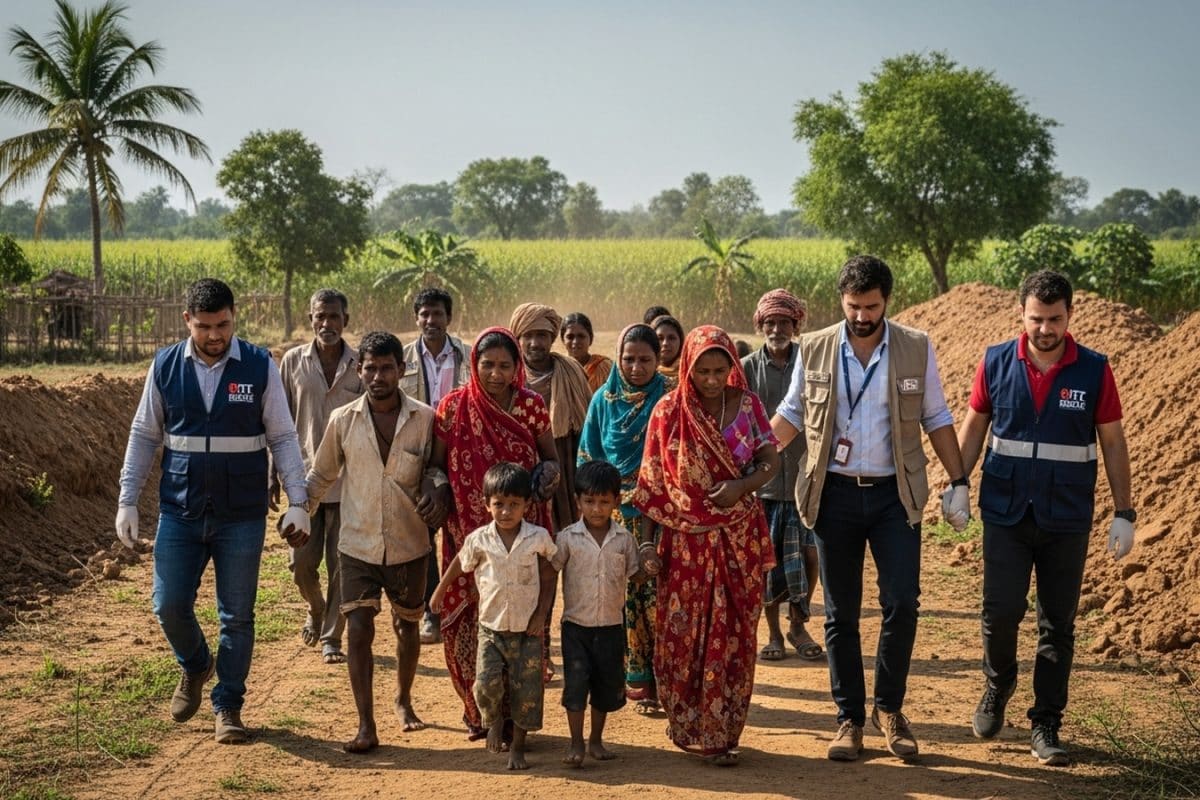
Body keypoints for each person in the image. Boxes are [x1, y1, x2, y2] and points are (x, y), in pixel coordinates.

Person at [771, 255, 970, 762]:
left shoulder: (914, 347)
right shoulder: (813, 348)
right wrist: (748, 460)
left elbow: (936, 414)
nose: (862, 316)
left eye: (872, 306)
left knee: (901, 603)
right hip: (833, 494)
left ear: (887, 301)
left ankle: (891, 710)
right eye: (854, 306)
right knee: (840, 614)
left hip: (893, 497)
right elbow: (792, 413)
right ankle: (849, 719)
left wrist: (960, 479)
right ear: (842, 301)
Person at [115, 278, 311, 744]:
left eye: (223, 324)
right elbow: (145, 435)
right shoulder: (164, 366)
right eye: (204, 326)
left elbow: (283, 437)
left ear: (234, 318)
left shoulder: (260, 365)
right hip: (180, 511)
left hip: (240, 514)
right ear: (188, 321)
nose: (215, 335)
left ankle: (228, 705)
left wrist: (298, 501)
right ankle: (197, 664)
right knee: (168, 605)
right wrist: (127, 498)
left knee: (237, 615)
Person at [956, 270, 1134, 767]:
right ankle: (998, 684)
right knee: (1000, 612)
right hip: (1007, 513)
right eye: (1037, 318)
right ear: (1022, 314)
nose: (1045, 329)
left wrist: (1124, 512)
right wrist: (957, 482)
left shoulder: (1094, 370)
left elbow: (1114, 442)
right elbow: (973, 428)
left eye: (1055, 319)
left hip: (1066, 517)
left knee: (1058, 624)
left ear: (1070, 315)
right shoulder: (995, 362)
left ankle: (1046, 722)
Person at [632, 325, 782, 766]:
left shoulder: (748, 406)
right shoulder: (667, 412)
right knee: (683, 636)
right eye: (704, 371)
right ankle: (689, 724)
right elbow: (651, 485)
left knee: (734, 634)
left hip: (739, 541)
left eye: (721, 370)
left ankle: (723, 732)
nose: (713, 380)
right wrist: (646, 546)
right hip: (684, 546)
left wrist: (742, 486)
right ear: (687, 368)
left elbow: (770, 458)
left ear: (733, 367)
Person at [304, 331, 445, 753]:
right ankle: (366, 724)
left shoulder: (424, 418)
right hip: (357, 545)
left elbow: (438, 470)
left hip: (409, 543)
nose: (378, 375)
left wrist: (437, 488)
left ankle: (403, 698)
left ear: (402, 371)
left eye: (386, 367)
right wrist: (299, 513)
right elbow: (321, 475)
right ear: (359, 370)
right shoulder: (343, 420)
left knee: (406, 626)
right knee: (360, 629)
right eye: (369, 367)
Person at [428, 328, 561, 739]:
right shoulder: (452, 409)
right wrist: (436, 488)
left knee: (522, 621)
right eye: (487, 365)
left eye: (505, 365)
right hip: (469, 532)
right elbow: (436, 466)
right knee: (469, 622)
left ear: (517, 367)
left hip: (524, 533)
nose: (496, 374)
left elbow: (550, 458)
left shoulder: (532, 407)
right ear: (475, 364)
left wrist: (547, 478)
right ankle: (481, 715)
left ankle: (515, 718)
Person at [430, 462, 558, 771]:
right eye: (499, 504)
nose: (506, 511)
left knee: (527, 690)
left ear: (527, 505)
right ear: (486, 505)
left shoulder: (537, 537)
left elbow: (551, 569)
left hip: (527, 629)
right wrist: (439, 592)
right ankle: (495, 721)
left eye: (514, 505)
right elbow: (461, 563)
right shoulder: (479, 539)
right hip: (490, 627)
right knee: (486, 684)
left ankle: (518, 747)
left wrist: (541, 613)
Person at [577, 323, 668, 713]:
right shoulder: (604, 399)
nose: (636, 367)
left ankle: (669, 682)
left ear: (658, 359)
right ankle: (639, 683)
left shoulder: (671, 400)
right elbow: (589, 456)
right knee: (626, 601)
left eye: (645, 359)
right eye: (628, 359)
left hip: (663, 516)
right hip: (616, 516)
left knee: (661, 601)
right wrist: (598, 510)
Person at [275, 288, 363, 665]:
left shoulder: (361, 365)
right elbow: (276, 422)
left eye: (334, 317)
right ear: (309, 319)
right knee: (302, 565)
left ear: (346, 321)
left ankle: (332, 636)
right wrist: (272, 475)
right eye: (319, 317)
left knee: (342, 564)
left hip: (350, 483)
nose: (326, 323)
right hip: (303, 484)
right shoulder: (292, 362)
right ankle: (316, 607)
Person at [741, 289, 822, 662]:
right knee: (768, 561)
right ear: (760, 325)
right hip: (764, 483)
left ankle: (798, 624)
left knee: (809, 556)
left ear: (796, 325)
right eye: (770, 323)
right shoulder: (746, 368)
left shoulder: (811, 361)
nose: (777, 329)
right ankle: (773, 633)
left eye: (784, 323)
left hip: (806, 475)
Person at [552, 460, 645, 767]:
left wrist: (651, 567)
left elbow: (636, 576)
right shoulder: (567, 538)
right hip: (575, 627)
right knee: (576, 685)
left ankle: (595, 741)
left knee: (605, 687)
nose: (596, 509)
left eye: (604, 501)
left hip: (610, 626)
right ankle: (576, 743)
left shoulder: (624, 540)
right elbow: (550, 571)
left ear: (616, 501)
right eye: (589, 501)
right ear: (578, 501)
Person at [399, 287, 470, 646]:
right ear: (416, 318)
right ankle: (432, 612)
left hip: (463, 458)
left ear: (448, 318)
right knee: (423, 538)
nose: (430, 320)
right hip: (418, 458)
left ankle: (466, 607)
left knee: (464, 534)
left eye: (437, 314)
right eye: (424, 314)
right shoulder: (402, 359)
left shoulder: (471, 357)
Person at [509, 302, 592, 531]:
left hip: (565, 457)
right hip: (522, 460)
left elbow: (588, 422)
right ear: (518, 339)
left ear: (552, 338)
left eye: (542, 336)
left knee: (568, 532)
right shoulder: (509, 376)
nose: (535, 343)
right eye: (529, 336)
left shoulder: (571, 370)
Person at [561, 311, 613, 393]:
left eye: (581, 336)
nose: (575, 341)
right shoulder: (558, 367)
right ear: (563, 340)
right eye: (570, 337)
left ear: (591, 339)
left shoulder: (604, 368)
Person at [651, 314, 684, 389]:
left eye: (671, 338)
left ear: (681, 341)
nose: (665, 343)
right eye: (660, 338)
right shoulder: (643, 373)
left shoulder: (690, 373)